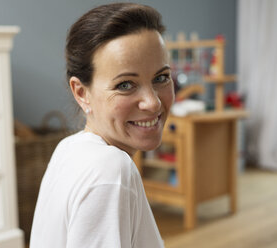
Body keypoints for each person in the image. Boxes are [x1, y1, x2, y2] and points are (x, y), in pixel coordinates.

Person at [30, 2, 174, 247]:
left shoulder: (68, 148)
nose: (152, 103)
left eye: (161, 78)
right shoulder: (111, 171)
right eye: (125, 85)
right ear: (81, 92)